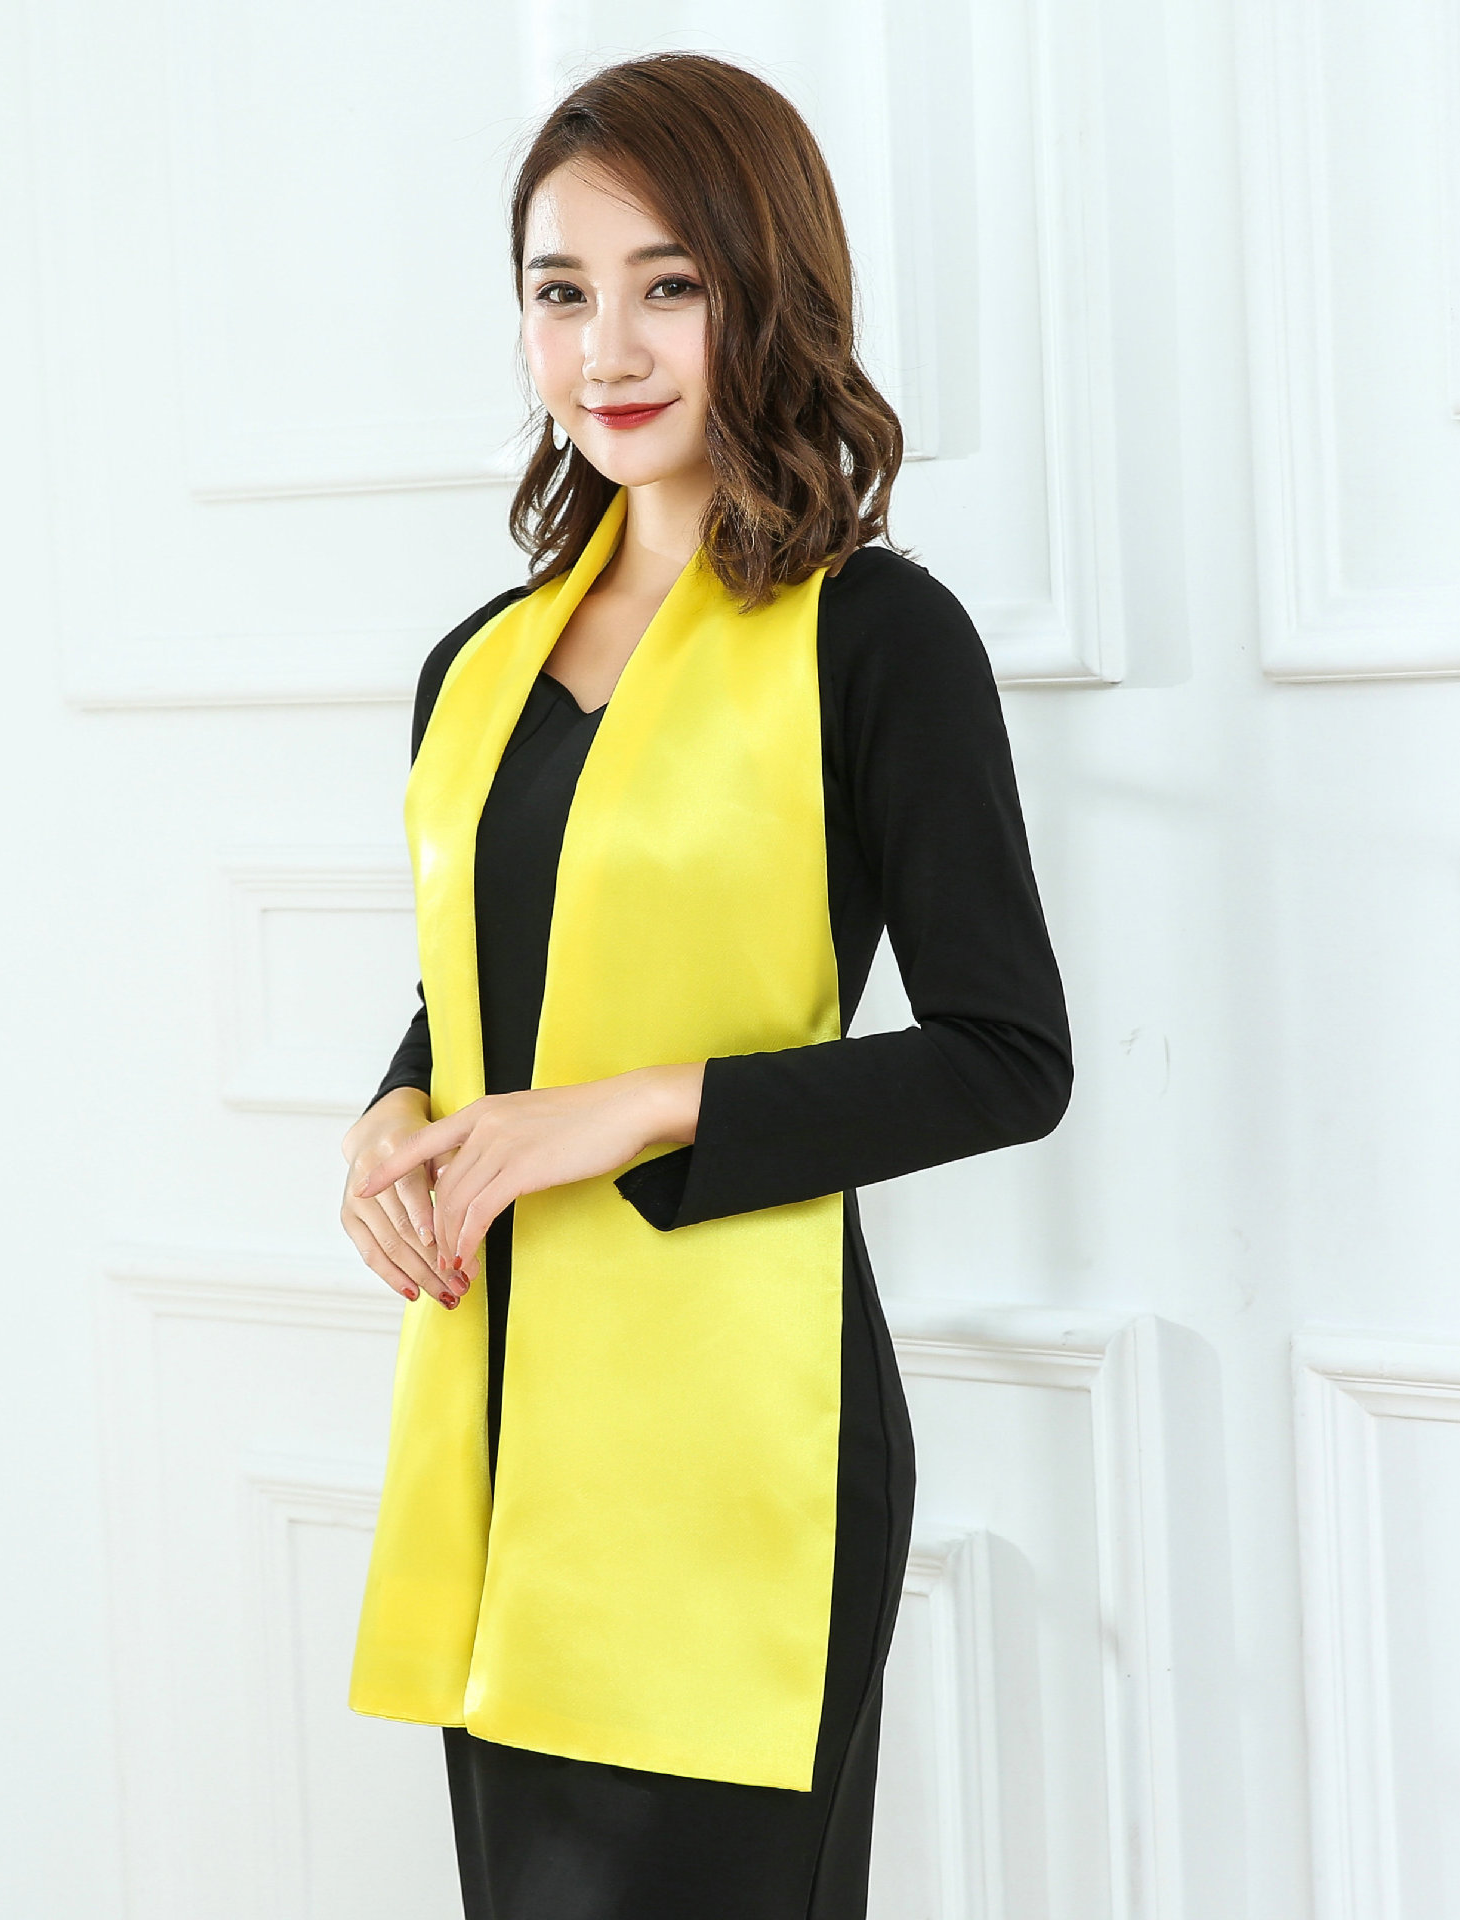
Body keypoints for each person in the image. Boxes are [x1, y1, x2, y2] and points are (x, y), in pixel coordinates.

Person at [338, 51, 1071, 1920]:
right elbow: (489, 985)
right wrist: (396, 1108)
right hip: (504, 1420)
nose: (608, 348)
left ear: (767, 288)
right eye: (559, 290)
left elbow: (1007, 1057)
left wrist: (640, 1108)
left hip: (749, 1442)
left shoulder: (877, 637)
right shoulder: (477, 667)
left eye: (668, 283)